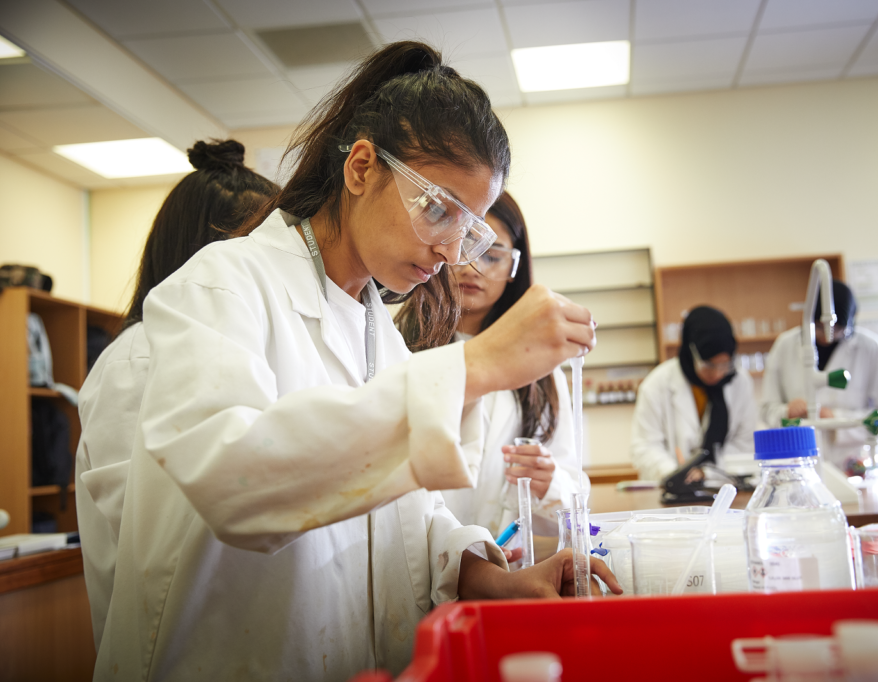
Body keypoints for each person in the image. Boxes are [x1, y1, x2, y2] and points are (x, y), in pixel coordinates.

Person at [95, 42, 617, 681]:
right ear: (362, 167)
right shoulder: (221, 286)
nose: (452, 253)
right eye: (438, 209)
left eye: (472, 230)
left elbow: (402, 513)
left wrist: (491, 578)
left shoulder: (379, 333)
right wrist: (474, 367)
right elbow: (234, 481)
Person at [75, 139, 279, 651]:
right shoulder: (138, 358)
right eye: (254, 249)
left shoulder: (236, 345)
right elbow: (153, 531)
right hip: (169, 645)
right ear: (200, 255)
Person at [400, 192, 587, 551]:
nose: (473, 267)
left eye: (492, 254)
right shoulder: (397, 343)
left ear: (514, 267)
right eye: (464, 244)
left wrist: (548, 482)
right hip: (415, 562)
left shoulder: (543, 368)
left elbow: (569, 504)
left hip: (509, 561)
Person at [759, 280, 878, 469]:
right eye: (819, 327)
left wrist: (836, 419)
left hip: (856, 464)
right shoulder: (785, 345)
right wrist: (787, 412)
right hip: (801, 464)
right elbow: (766, 411)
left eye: (837, 329)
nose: (827, 335)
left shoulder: (872, 349)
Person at [631, 306, 757, 481]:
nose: (717, 373)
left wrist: (707, 471)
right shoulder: (656, 385)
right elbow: (645, 446)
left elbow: (744, 443)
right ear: (691, 352)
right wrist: (675, 473)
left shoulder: (739, 382)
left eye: (724, 365)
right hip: (670, 489)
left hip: (721, 486)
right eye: (709, 365)